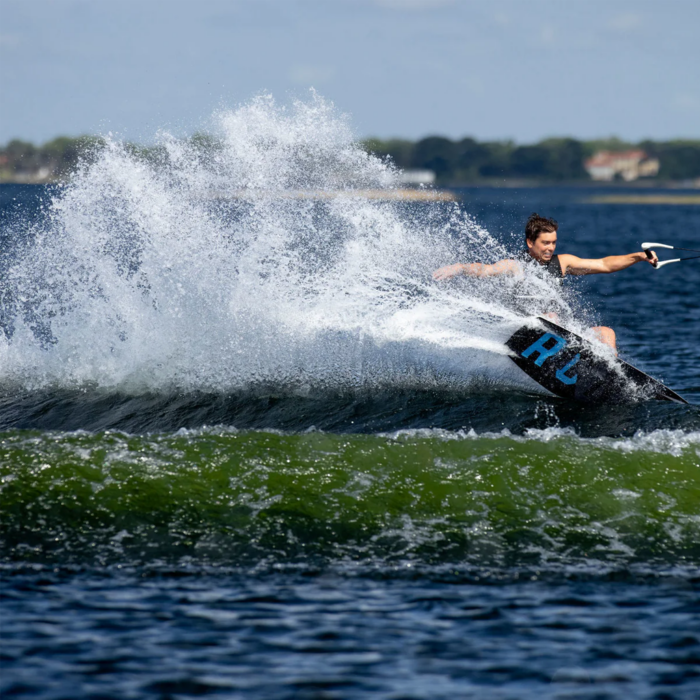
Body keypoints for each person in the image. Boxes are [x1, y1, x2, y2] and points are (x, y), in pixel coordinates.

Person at [432, 213, 658, 352]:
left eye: (554, 242)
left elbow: (605, 264)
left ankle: (611, 371)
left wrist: (639, 256)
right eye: (546, 243)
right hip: (525, 333)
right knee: (551, 317)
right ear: (530, 242)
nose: (551, 247)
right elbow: (485, 270)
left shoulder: (563, 263)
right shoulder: (515, 266)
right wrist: (460, 268)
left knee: (606, 333)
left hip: (560, 334)